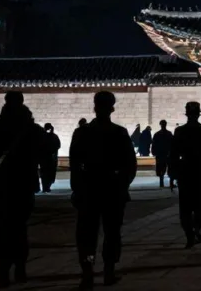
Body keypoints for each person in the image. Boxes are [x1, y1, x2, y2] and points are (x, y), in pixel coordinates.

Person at [70, 91, 137, 288]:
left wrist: (77, 188)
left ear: (94, 106)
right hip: (112, 190)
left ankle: (88, 271)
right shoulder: (119, 132)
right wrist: (122, 184)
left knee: (87, 234)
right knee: (112, 232)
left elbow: (75, 164)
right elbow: (130, 165)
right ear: (112, 108)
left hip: (89, 189)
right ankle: (109, 270)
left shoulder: (82, 133)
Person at [0, 92, 43, 287]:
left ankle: (3, 271)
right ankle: (20, 267)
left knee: (2, 229)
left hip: (3, 185)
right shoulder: (31, 129)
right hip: (24, 184)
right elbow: (45, 150)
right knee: (19, 228)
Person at [169, 102, 201, 248]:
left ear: (187, 114)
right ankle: (196, 228)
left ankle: (189, 233)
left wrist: (172, 172)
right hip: (200, 170)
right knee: (198, 202)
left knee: (184, 204)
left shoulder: (179, 131)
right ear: (199, 114)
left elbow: (173, 154)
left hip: (184, 170)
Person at [151, 120, 173, 188]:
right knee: (168, 168)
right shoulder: (169, 133)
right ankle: (170, 183)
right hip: (166, 153)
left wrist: (154, 152)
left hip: (161, 153)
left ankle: (162, 183)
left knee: (162, 168)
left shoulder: (157, 134)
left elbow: (154, 144)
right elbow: (172, 144)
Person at [40, 123, 61, 193]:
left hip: (45, 158)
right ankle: (46, 187)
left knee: (45, 173)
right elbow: (58, 145)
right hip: (50, 158)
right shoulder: (53, 136)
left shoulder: (43, 136)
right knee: (49, 173)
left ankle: (45, 187)